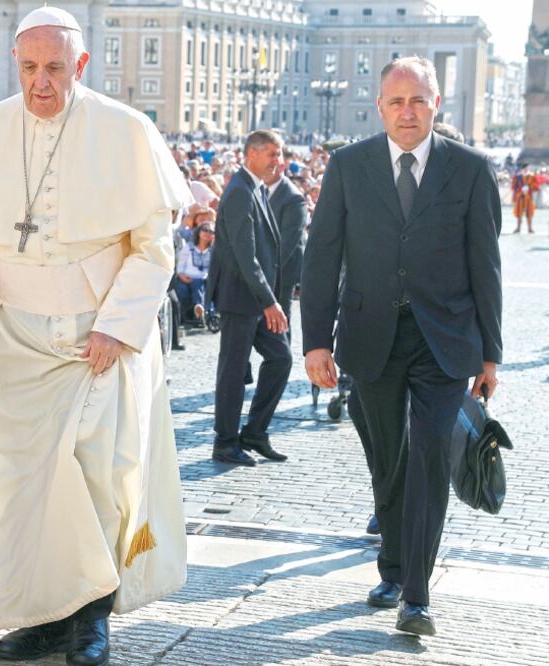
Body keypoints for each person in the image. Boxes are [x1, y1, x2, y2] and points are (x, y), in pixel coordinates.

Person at [0, 8, 190, 665]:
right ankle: (41, 618)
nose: (39, 83)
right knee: (18, 490)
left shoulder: (125, 131)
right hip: (12, 341)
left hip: (92, 343)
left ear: (80, 65)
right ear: (15, 64)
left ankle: (90, 619)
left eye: (53, 69)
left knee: (90, 478)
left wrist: (116, 327)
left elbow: (153, 248)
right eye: (28, 68)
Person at [301, 56, 502, 636]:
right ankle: (392, 566)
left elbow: (484, 266)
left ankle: (416, 594)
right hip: (370, 339)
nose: (407, 112)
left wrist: (491, 354)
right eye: (396, 101)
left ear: (436, 103)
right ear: (379, 105)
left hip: (445, 342)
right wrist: (316, 342)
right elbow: (322, 261)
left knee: (431, 459)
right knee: (388, 464)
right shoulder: (347, 167)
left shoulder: (470, 169)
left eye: (418, 101)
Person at [208, 129, 291, 467]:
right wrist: (269, 300)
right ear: (252, 154)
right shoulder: (241, 191)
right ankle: (225, 442)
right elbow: (246, 255)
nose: (279, 161)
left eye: (280, 154)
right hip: (241, 298)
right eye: (273, 154)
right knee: (233, 372)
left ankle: (255, 431)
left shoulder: (253, 187)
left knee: (281, 358)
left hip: (255, 299)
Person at [264, 155, 308, 333]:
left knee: (281, 317)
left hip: (282, 269)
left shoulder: (294, 197)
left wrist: (267, 269)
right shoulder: (260, 189)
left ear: (282, 167)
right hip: (263, 267)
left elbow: (288, 241)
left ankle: (284, 358)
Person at [174, 221, 214, 321]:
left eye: (211, 231)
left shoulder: (213, 250)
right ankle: (189, 314)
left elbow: (214, 268)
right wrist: (182, 275)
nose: (207, 233)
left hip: (203, 279)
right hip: (186, 276)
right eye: (205, 230)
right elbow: (181, 265)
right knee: (182, 288)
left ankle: (199, 310)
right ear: (199, 232)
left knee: (198, 284)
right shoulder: (189, 247)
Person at [511, 164, 537, 234]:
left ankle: (530, 228)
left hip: (528, 197)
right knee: (519, 212)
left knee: (529, 213)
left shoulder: (532, 176)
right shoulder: (517, 177)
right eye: (524, 168)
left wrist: (529, 188)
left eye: (527, 168)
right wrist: (520, 189)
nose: (526, 169)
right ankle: (518, 228)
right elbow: (513, 186)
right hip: (520, 197)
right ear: (522, 169)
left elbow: (535, 186)